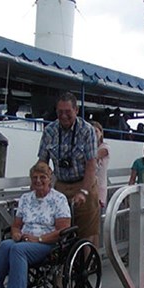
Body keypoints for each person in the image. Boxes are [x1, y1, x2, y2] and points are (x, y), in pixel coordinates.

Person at [37, 92, 100, 248]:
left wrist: (84, 192)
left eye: (68, 112)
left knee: (86, 231)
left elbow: (91, 165)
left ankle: (86, 264)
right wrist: (37, 184)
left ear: (76, 110)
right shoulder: (49, 131)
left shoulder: (87, 130)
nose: (64, 116)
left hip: (84, 183)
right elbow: (42, 162)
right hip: (61, 184)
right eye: (60, 112)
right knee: (59, 228)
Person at [91, 121, 110, 209]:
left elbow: (93, 157)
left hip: (99, 186)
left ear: (101, 133)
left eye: (96, 131)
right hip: (89, 185)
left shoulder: (105, 147)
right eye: (91, 132)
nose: (94, 134)